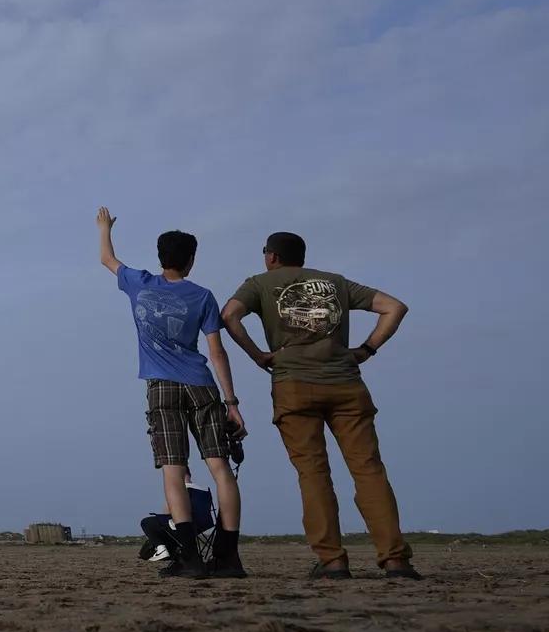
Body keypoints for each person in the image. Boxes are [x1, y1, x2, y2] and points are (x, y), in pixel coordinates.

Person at [220, 231, 417, 580]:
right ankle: (395, 560)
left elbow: (230, 315)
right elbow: (394, 307)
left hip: (293, 385)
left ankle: (333, 561)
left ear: (271, 257)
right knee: (369, 470)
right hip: (346, 384)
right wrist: (366, 350)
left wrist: (258, 356)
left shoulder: (259, 283)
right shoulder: (335, 283)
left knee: (313, 474)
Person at [97, 207, 248, 578]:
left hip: (162, 388)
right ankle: (228, 556)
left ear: (161, 257)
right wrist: (232, 403)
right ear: (191, 260)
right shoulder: (203, 296)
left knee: (173, 469)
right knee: (220, 468)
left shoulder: (140, 284)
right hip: (202, 385)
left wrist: (105, 227)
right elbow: (216, 352)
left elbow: (106, 258)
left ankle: (190, 558)